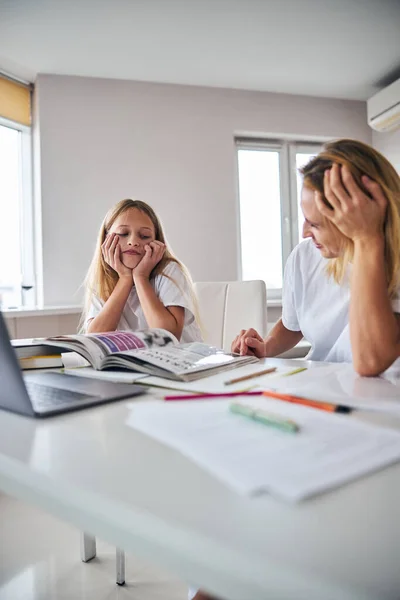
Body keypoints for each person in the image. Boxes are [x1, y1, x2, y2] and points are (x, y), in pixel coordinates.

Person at [232, 138, 400, 376]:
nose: (304, 232)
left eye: (315, 224)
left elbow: (370, 361)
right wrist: (266, 347)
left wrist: (367, 240)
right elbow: (293, 324)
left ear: (356, 215)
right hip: (320, 386)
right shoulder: (305, 256)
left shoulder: (385, 257)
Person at [81, 199, 202, 342]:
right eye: (123, 233)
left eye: (144, 236)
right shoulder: (105, 278)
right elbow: (94, 339)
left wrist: (140, 277)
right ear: (106, 240)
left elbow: (168, 336)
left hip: (180, 361)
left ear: (157, 242)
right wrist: (125, 279)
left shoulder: (169, 271)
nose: (133, 241)